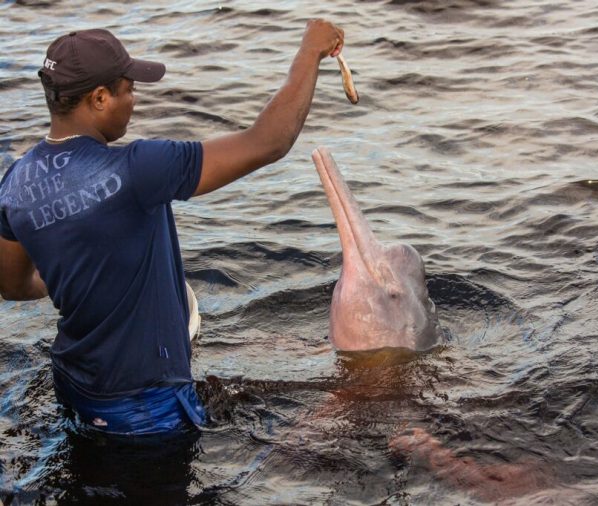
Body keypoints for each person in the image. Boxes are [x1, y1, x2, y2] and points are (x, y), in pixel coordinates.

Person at [0, 20, 345, 435]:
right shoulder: (139, 168)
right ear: (99, 97)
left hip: (74, 382)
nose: (134, 99)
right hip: (145, 404)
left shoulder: (15, 182)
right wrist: (310, 52)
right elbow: (269, 141)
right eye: (129, 89)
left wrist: (73, 272)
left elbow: (13, 286)